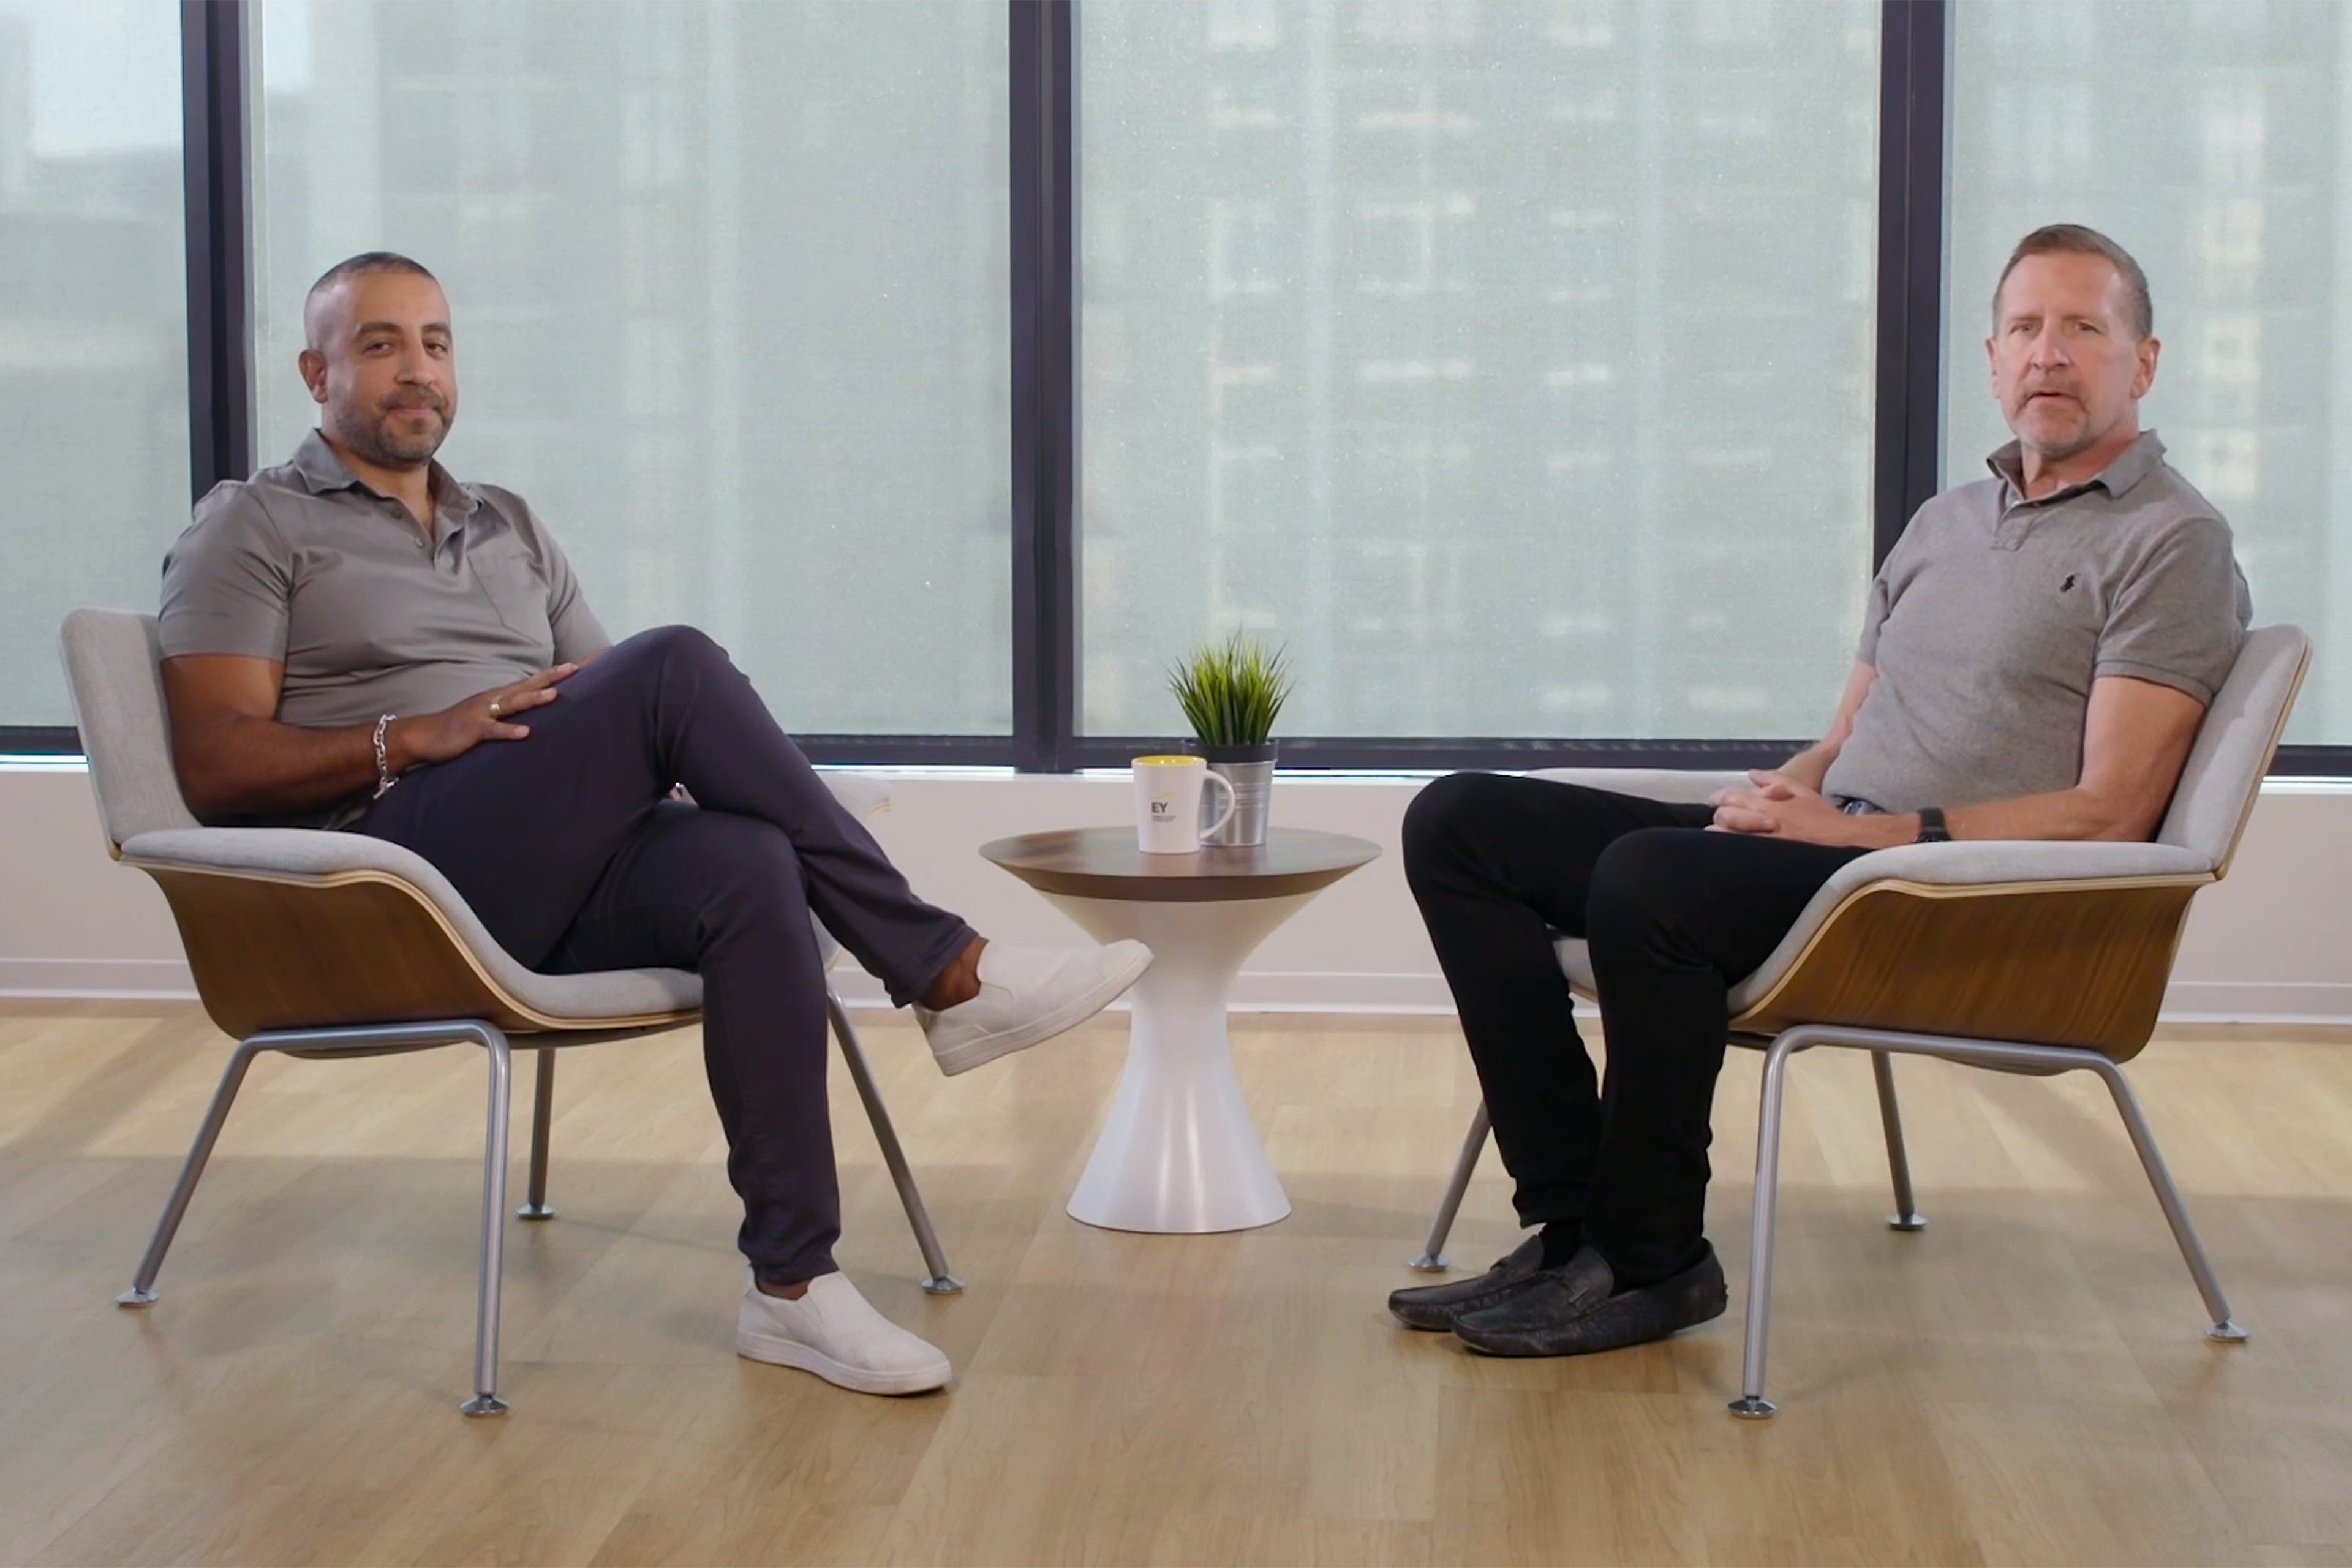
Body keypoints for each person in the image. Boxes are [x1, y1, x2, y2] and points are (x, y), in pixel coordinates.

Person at [156, 251, 1152, 1398]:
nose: (417, 369)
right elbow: (217, 764)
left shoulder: (508, 524)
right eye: (380, 345)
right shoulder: (254, 523)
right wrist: (414, 735)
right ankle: (946, 970)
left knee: (747, 861)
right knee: (673, 661)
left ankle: (792, 1287)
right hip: (390, 875)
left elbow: (606, 708)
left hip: (540, 872)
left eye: (435, 342)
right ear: (315, 371)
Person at [1390, 223, 2253, 1358]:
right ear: (1993, 357)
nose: (2050, 353)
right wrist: (1776, 801)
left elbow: (2113, 812)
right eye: (2027, 328)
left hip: (1942, 898)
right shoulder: (1945, 522)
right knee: (1460, 822)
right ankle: (1571, 1231)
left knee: (1648, 882)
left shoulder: (2172, 542)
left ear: (2143, 362)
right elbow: (1848, 732)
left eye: (2084, 328)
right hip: (1831, 847)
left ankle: (1652, 1260)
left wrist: (1864, 833)